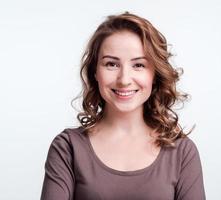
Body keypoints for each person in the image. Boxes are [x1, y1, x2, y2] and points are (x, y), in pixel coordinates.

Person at [40, 12, 206, 200]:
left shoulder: (182, 152)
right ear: (95, 71)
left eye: (138, 65)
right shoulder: (68, 148)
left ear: (155, 74)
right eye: (111, 64)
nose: (124, 80)